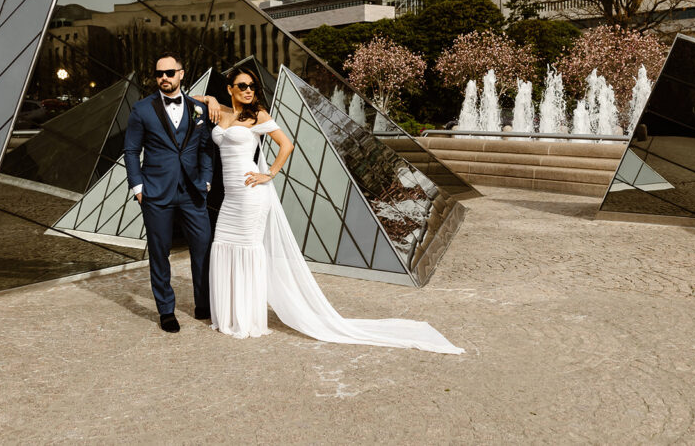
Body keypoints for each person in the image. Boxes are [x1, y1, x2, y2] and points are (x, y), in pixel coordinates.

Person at [199, 67, 463, 354]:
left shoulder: (258, 116)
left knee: (248, 251)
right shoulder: (221, 112)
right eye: (242, 86)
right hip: (231, 199)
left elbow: (287, 145)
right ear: (230, 89)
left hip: (251, 195)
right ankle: (228, 316)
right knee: (223, 245)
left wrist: (270, 174)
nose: (249, 90)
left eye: (252, 86)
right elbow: (191, 98)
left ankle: (245, 320)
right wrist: (210, 99)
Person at [123, 52, 214, 333]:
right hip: (155, 192)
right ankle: (166, 310)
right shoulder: (142, 109)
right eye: (159, 73)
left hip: (192, 191)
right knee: (160, 253)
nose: (164, 78)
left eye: (169, 73)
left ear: (181, 74)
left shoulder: (198, 108)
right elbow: (131, 150)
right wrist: (138, 188)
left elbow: (205, 149)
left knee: (203, 247)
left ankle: (204, 304)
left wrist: (207, 180)